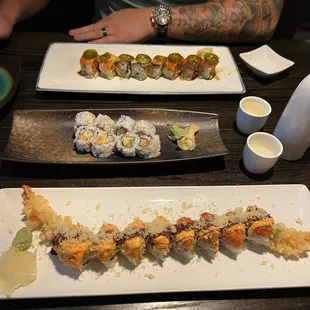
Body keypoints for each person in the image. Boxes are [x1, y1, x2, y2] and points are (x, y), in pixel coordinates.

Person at [0, 0, 284, 43]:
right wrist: (8, 12)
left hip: (198, 48)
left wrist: (154, 20)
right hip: (103, 41)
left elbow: (264, 15)